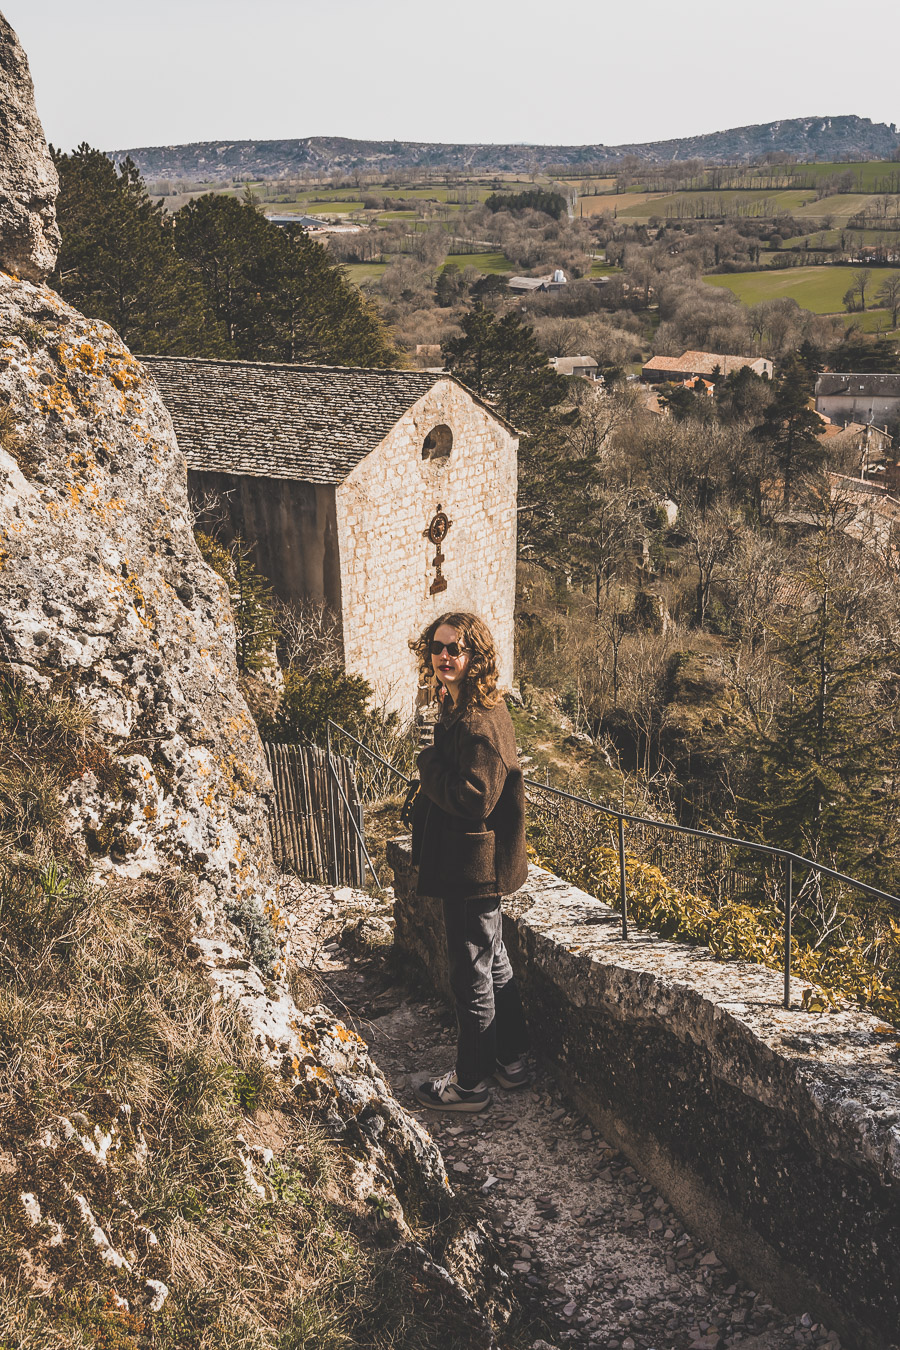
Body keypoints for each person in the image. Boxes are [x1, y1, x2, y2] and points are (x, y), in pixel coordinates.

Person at [408, 611, 530, 1113]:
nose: (444, 657)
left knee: (471, 973)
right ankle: (512, 1059)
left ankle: (471, 1084)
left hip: (472, 867)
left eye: (455, 649)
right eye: (437, 648)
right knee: (494, 958)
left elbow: (474, 798)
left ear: (475, 655)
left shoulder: (479, 723)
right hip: (477, 861)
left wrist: (427, 762)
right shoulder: (464, 706)